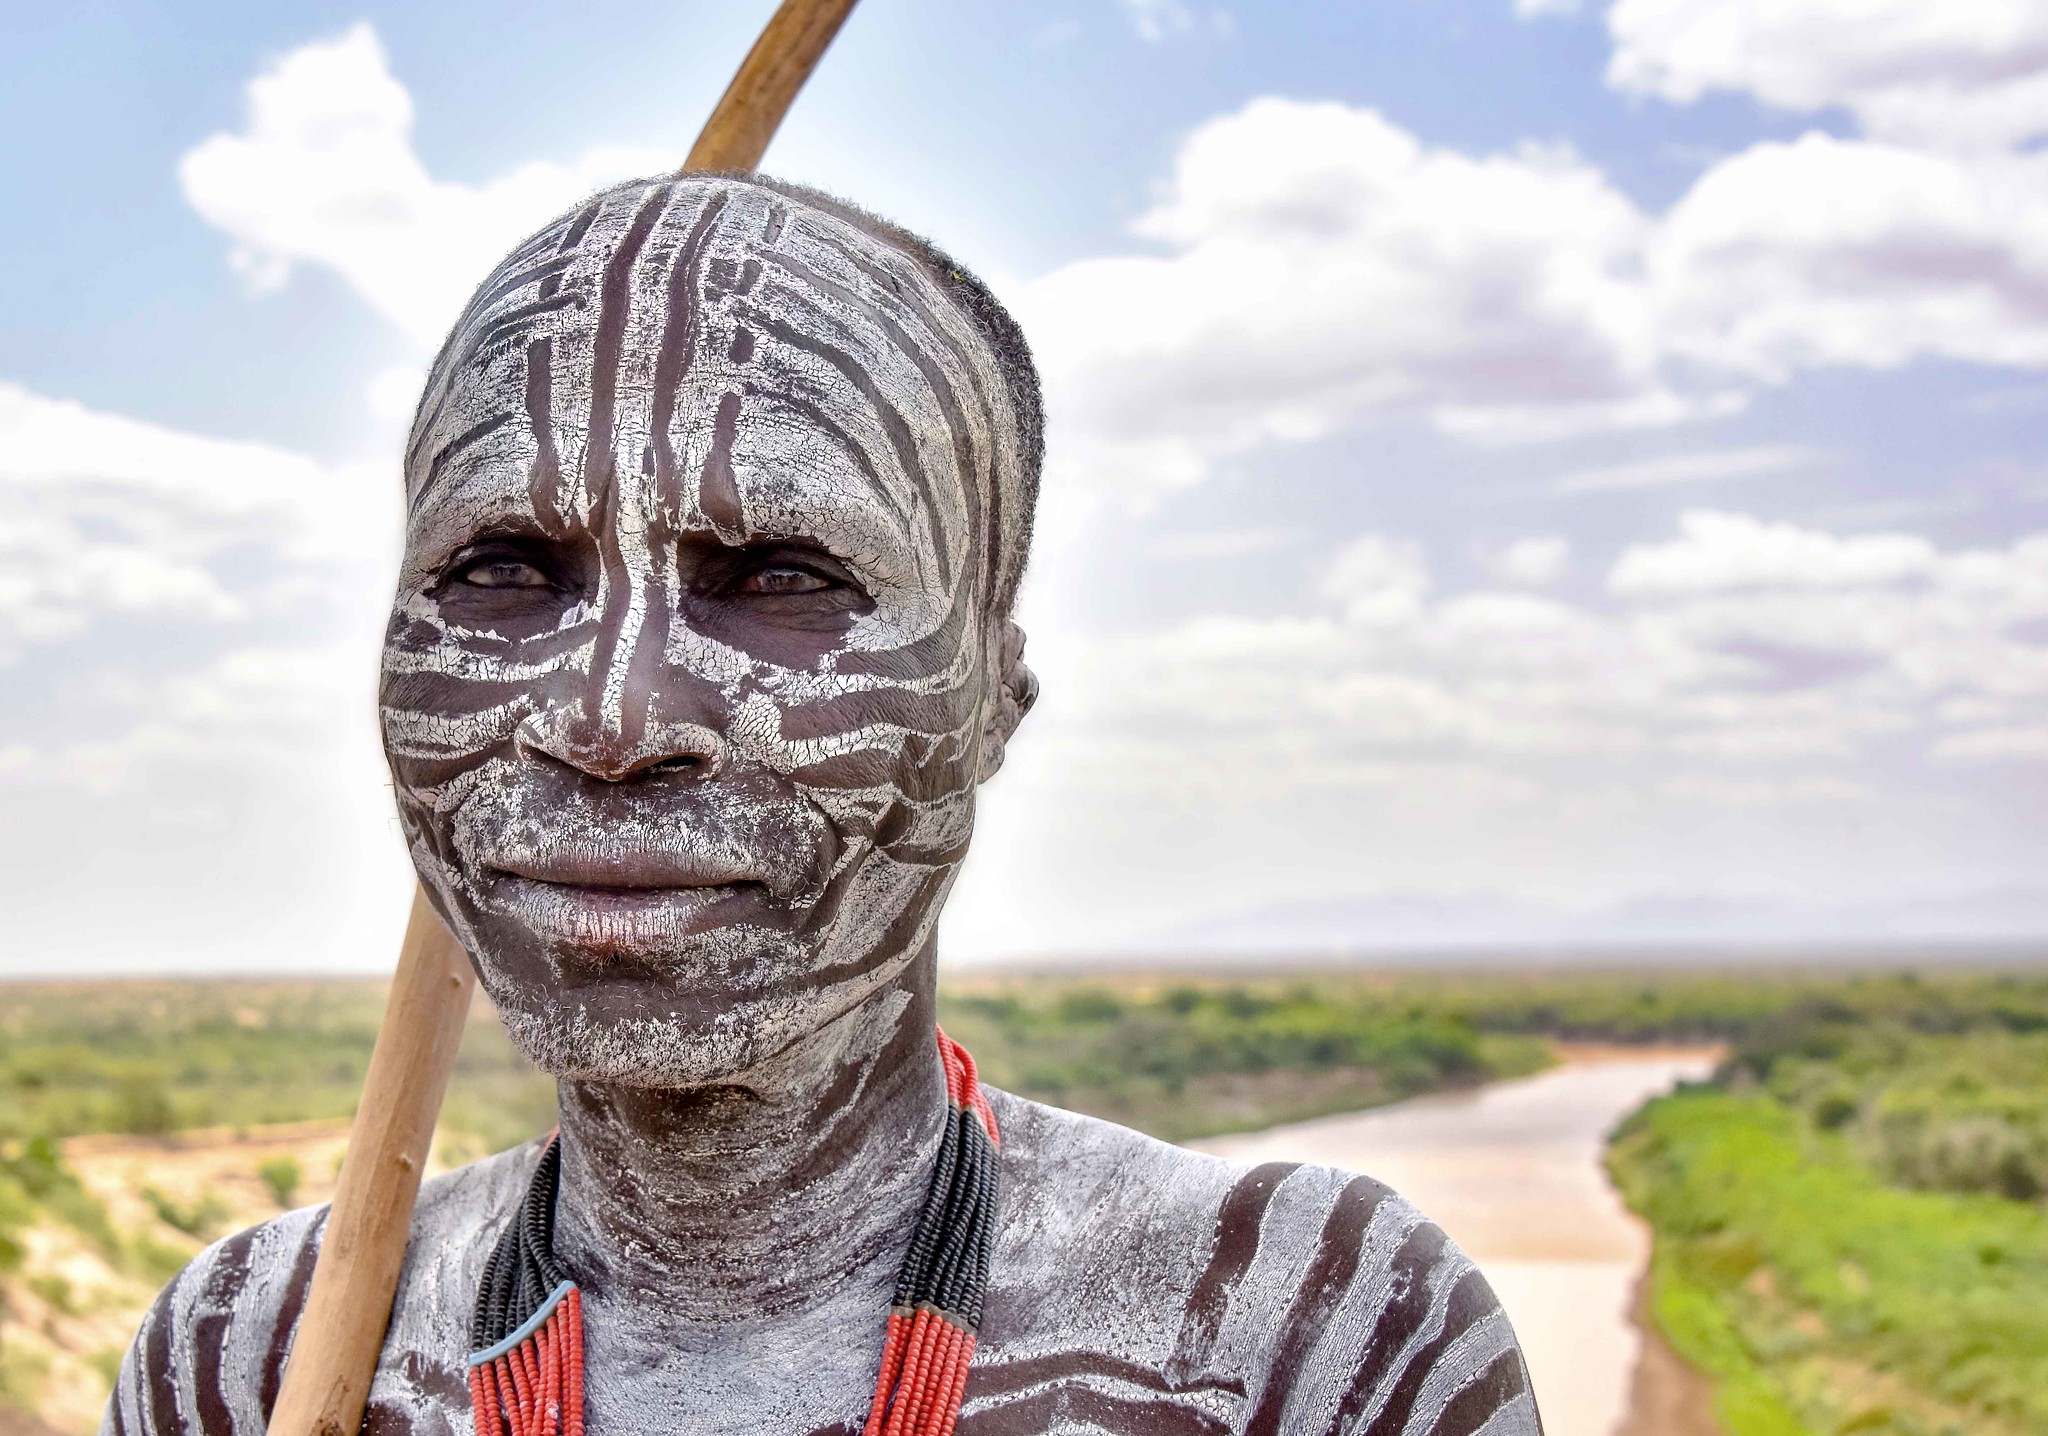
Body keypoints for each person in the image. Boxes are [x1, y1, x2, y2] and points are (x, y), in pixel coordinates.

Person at [104, 174, 1542, 1436]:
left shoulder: (1302, 1342)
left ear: (993, 700)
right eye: (502, 571)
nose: (608, 721)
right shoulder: (246, 1358)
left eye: (784, 577)